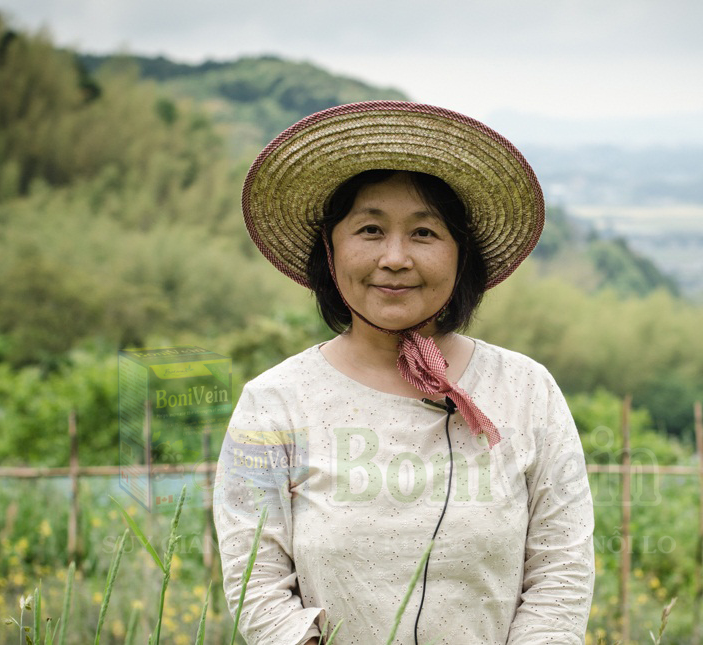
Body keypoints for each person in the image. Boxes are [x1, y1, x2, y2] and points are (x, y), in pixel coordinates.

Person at [214, 101, 594, 645]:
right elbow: (257, 587)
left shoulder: (526, 390)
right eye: (370, 229)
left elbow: (562, 569)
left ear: (462, 255)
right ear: (331, 248)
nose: (394, 257)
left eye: (424, 233)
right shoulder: (274, 403)